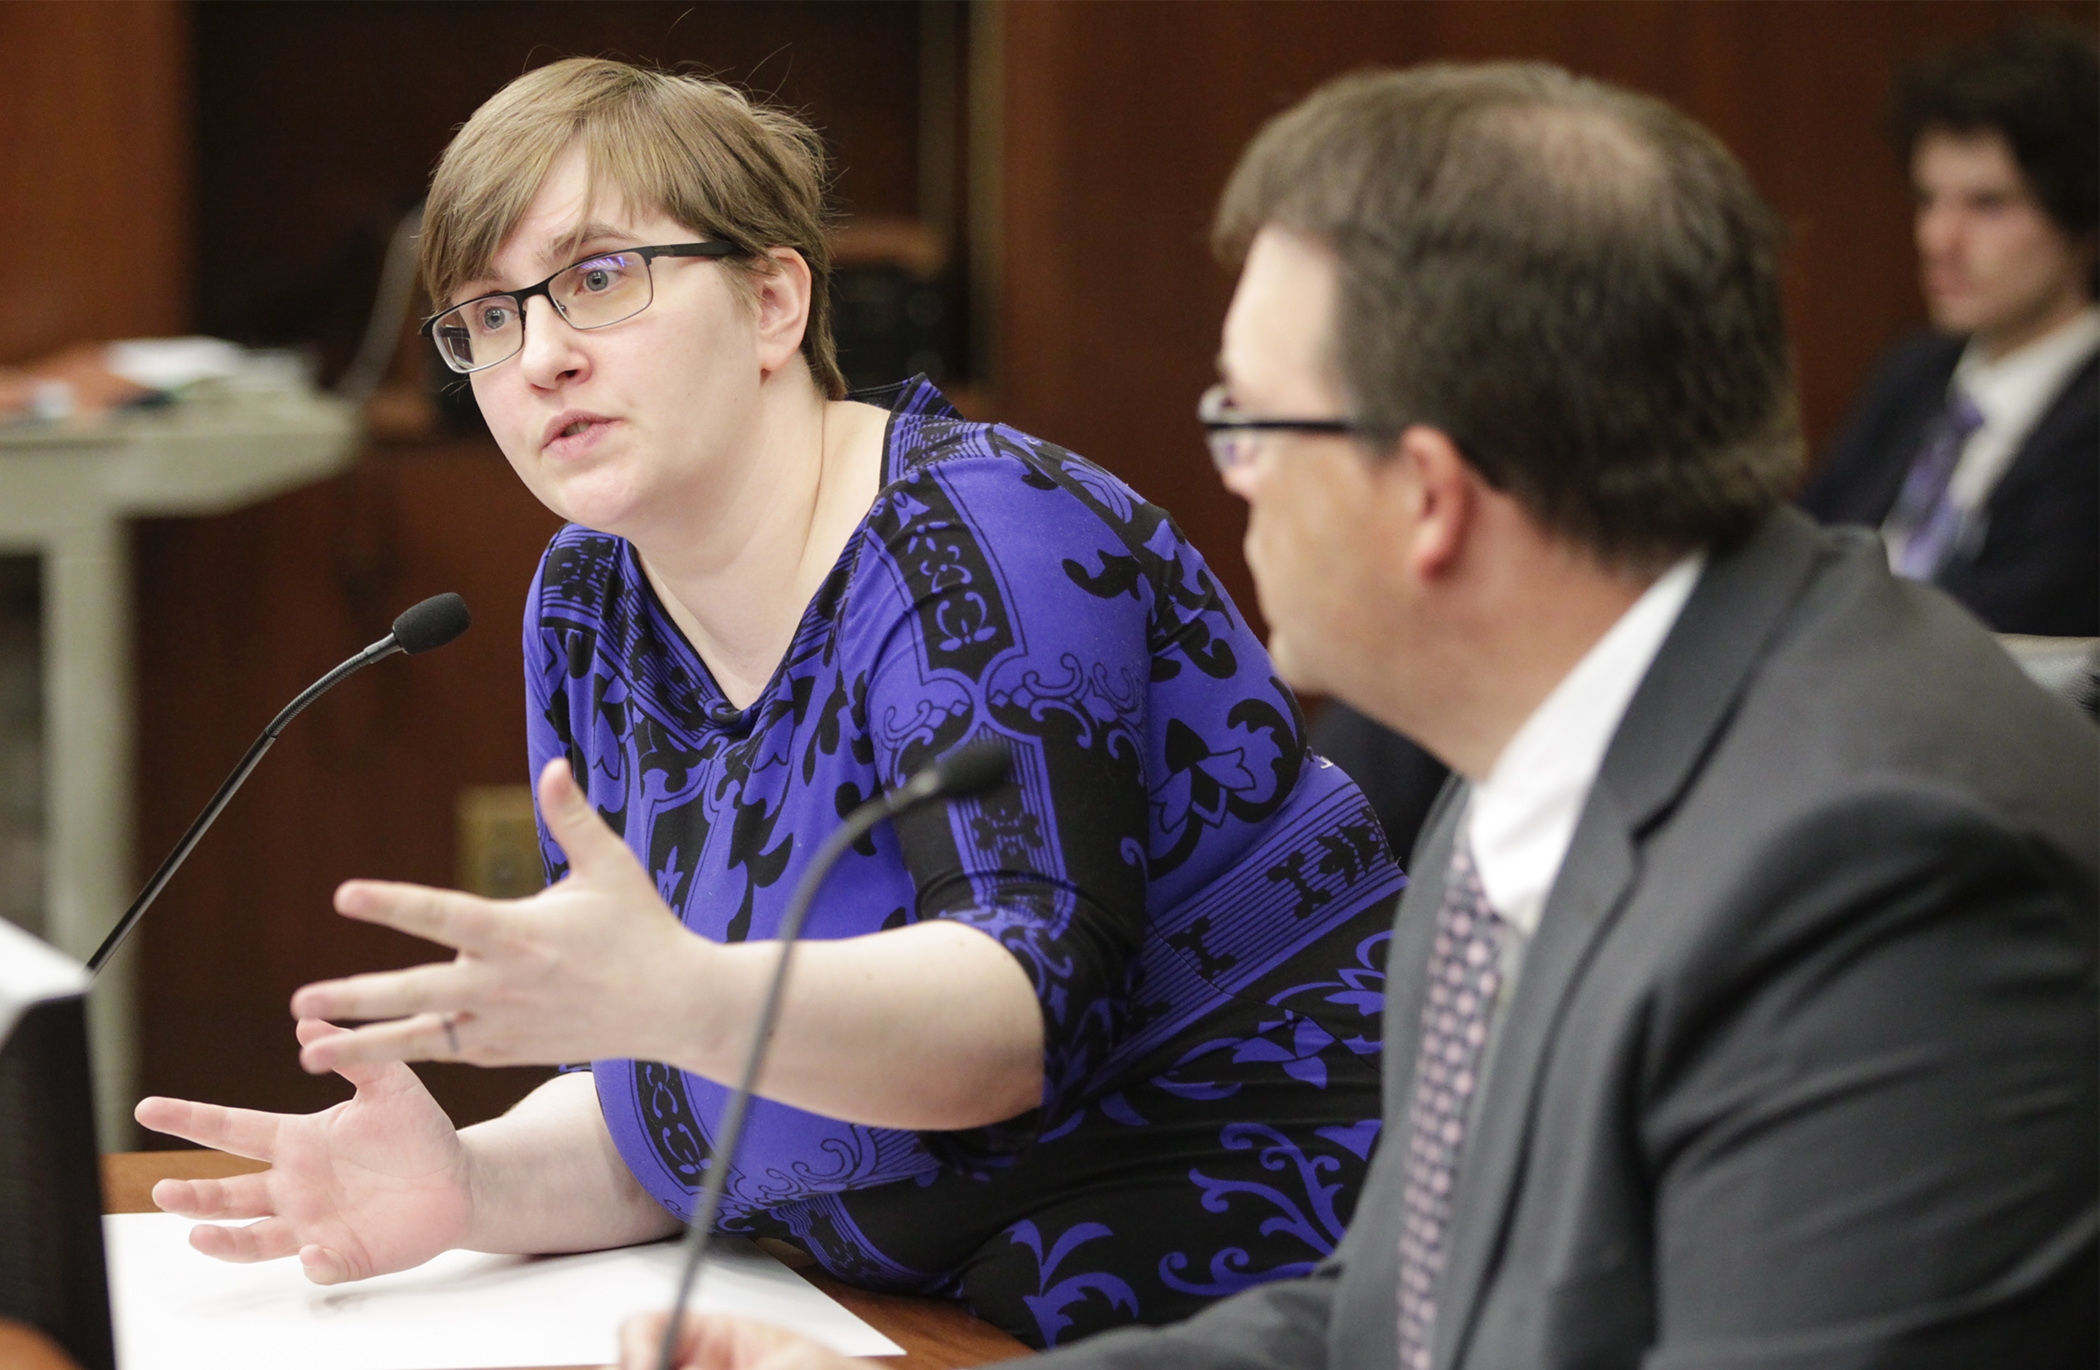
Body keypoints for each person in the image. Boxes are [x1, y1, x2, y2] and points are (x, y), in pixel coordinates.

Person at [626, 62, 2098, 1370]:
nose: (1234, 475)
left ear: (1434, 494)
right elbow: (1387, 1324)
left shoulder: (1872, 871)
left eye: (1248, 420)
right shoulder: (1522, 780)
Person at [130, 58, 1407, 1350]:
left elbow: (1023, 1017)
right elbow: (690, 1109)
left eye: (597, 278)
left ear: (772, 301)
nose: (542, 358)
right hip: (875, 1312)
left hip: (1241, 1297)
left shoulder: (979, 539)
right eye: (486, 318)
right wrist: (473, 1181)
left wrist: (678, 998)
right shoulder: (590, 609)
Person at [1800, 22, 2098, 636]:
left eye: (1988, 204)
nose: (1938, 239)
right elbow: (1800, 550)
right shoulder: (1916, 370)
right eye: (1927, 200)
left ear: (2084, 219)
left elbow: (1997, 641)